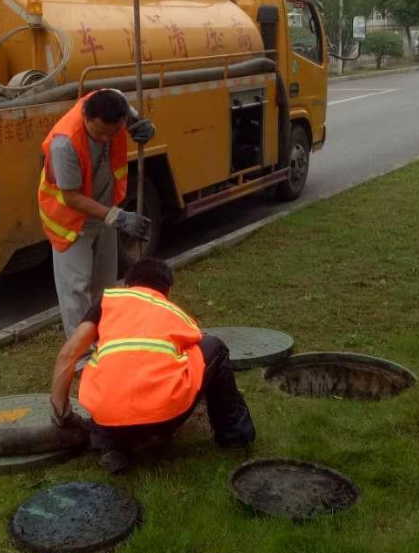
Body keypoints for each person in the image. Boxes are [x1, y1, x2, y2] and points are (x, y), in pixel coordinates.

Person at [49, 257, 256, 473]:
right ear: (167, 291)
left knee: (106, 363)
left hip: (106, 423)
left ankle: (113, 445)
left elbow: (68, 354)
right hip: (162, 420)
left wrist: (62, 414)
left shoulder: (109, 302)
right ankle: (236, 436)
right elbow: (196, 348)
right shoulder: (173, 312)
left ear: (128, 284)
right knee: (214, 347)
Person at [38, 88, 156, 339]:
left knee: (105, 284)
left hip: (103, 212)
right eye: (100, 133)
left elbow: (124, 104)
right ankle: (80, 351)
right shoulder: (65, 143)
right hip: (70, 222)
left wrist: (142, 126)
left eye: (113, 133)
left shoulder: (115, 103)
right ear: (86, 118)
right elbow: (71, 197)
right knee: (77, 289)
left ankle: (104, 339)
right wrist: (119, 217)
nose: (106, 139)